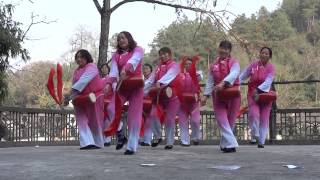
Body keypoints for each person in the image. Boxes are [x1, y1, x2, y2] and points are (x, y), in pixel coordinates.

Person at [104, 31, 144, 155]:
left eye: (123, 38)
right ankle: (121, 132)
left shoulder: (138, 49)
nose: (121, 40)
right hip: (122, 86)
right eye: (119, 39)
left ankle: (131, 146)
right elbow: (114, 71)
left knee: (133, 117)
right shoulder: (116, 55)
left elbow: (134, 60)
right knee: (111, 109)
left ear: (129, 39)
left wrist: (126, 68)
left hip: (135, 86)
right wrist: (109, 83)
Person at [201, 40, 240, 153]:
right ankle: (232, 142)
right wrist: (205, 95)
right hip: (218, 95)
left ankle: (226, 144)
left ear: (229, 51)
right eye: (222, 48)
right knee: (222, 119)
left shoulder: (234, 62)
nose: (223, 50)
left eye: (226, 49)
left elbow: (234, 73)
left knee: (231, 120)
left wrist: (224, 83)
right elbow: (210, 81)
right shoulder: (213, 65)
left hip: (233, 94)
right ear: (219, 49)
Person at [64, 49, 105, 150]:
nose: (79, 59)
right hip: (79, 98)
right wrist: (69, 97)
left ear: (86, 58)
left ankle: (97, 142)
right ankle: (86, 142)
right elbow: (75, 84)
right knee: (81, 119)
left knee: (94, 120)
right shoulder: (76, 71)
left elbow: (84, 81)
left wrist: (69, 94)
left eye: (81, 57)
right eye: (77, 57)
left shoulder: (92, 67)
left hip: (93, 97)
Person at [144, 47, 180, 150]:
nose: (162, 56)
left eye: (165, 54)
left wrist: (160, 82)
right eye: (161, 54)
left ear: (169, 54)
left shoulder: (174, 66)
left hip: (172, 97)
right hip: (159, 96)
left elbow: (169, 76)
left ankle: (169, 142)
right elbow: (151, 80)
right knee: (153, 114)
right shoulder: (158, 67)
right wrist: (142, 88)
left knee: (169, 119)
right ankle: (158, 136)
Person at [239, 47, 275, 148]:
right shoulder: (253, 65)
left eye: (267, 54)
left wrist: (258, 90)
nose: (264, 55)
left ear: (270, 56)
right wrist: (235, 83)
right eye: (262, 53)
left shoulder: (271, 68)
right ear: (259, 54)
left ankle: (261, 142)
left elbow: (268, 81)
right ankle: (256, 135)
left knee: (264, 118)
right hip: (252, 95)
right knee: (253, 115)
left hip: (265, 95)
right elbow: (243, 76)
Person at [178, 56, 202, 146]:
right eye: (186, 64)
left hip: (194, 102)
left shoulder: (197, 74)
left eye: (189, 64)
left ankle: (195, 138)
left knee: (195, 121)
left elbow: (200, 78)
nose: (187, 65)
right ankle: (185, 141)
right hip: (182, 102)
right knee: (183, 122)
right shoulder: (179, 75)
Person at [140, 63, 162, 146]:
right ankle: (142, 139)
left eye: (147, 68)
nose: (145, 70)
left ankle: (147, 140)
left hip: (151, 102)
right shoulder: (142, 80)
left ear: (150, 70)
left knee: (149, 121)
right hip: (142, 103)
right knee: (142, 121)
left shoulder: (153, 80)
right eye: (144, 69)